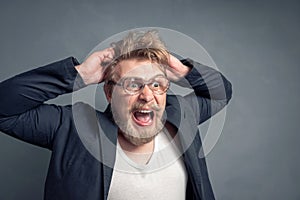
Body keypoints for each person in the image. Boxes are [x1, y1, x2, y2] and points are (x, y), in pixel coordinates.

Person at [0, 30, 232, 200]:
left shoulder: (182, 115)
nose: (147, 95)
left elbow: (221, 92)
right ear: (109, 92)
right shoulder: (73, 127)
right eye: (133, 84)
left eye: (156, 84)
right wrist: (79, 76)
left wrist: (183, 72)